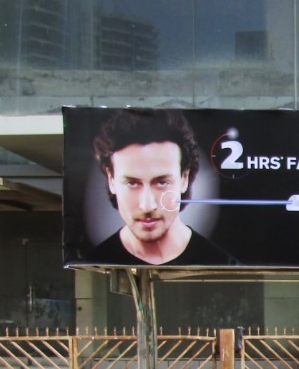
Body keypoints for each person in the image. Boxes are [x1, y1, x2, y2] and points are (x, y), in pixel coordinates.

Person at [83, 109, 238, 266]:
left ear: (184, 178)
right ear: (111, 180)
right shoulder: (93, 262)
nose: (148, 206)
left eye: (161, 182)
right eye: (132, 183)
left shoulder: (223, 263)